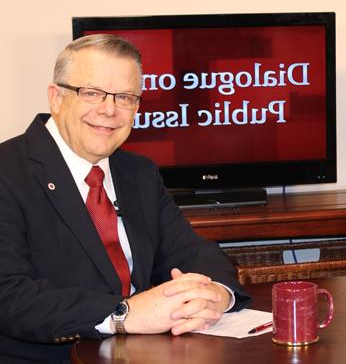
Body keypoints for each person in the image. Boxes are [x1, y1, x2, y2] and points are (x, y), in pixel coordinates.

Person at [0, 34, 251, 362]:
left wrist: (217, 293)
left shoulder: (139, 172)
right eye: (91, 93)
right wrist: (125, 314)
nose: (109, 110)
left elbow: (189, 250)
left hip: (146, 352)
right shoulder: (9, 172)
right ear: (56, 97)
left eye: (125, 97)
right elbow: (10, 296)